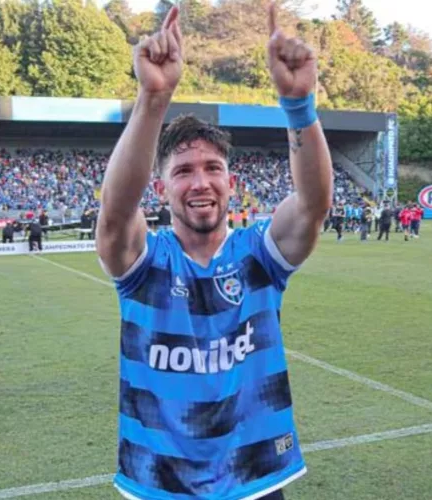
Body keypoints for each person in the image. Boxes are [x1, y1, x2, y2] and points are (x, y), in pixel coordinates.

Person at [95, 5, 332, 499]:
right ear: (160, 189)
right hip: (159, 482)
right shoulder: (145, 264)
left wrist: (299, 105)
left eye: (211, 168)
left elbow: (312, 206)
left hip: (256, 477)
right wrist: (153, 97)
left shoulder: (259, 256)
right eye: (182, 171)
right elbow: (114, 217)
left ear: (231, 181)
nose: (199, 182)